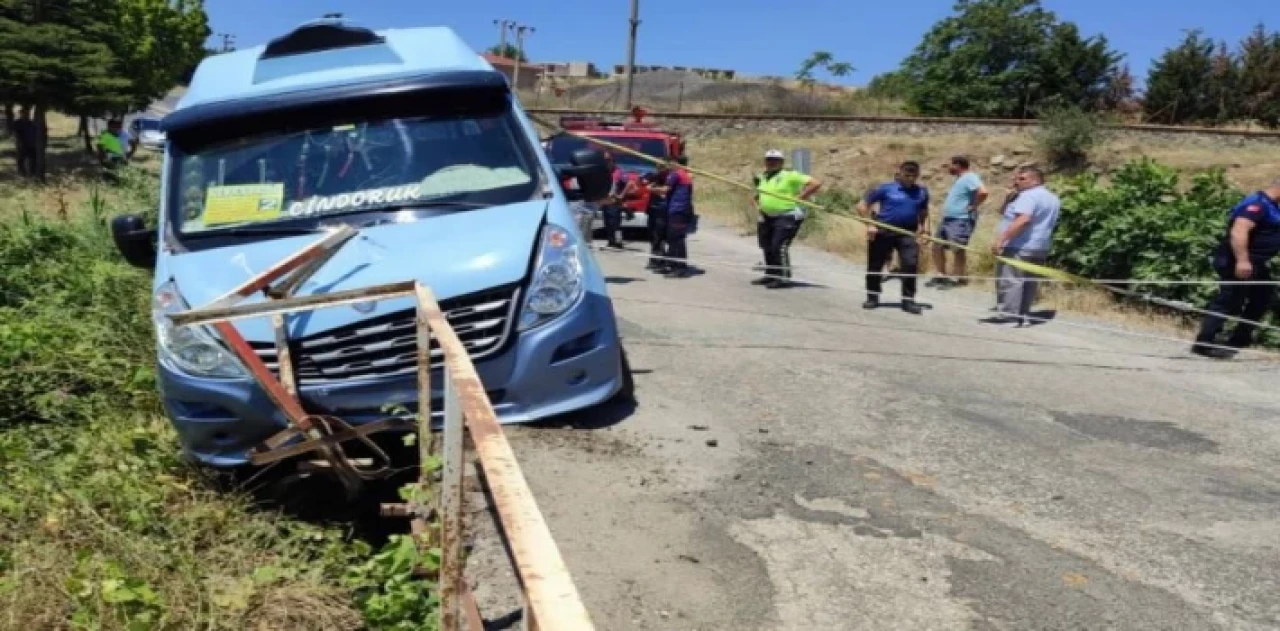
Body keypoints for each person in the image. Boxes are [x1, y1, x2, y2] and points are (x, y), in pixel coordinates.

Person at [1190, 178, 1280, 359]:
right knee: (1229, 301)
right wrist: (1242, 260)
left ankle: (1240, 338)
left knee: (1261, 299)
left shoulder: (1273, 206)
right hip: (1238, 262)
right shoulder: (1257, 205)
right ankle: (1204, 343)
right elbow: (1239, 231)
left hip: (1257, 264)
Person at [986, 165, 1061, 327]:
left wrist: (1002, 240)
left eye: (1022, 179)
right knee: (1029, 282)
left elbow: (1023, 220)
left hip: (1019, 245)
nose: (1017, 182)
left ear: (1035, 180)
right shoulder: (1052, 198)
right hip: (1040, 246)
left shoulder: (1028, 196)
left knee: (1011, 280)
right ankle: (1022, 315)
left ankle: (1009, 317)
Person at [858, 161, 931, 314]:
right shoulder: (885, 188)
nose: (910, 179)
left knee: (910, 265)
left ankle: (908, 301)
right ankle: (873, 297)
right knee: (875, 265)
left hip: (908, 233)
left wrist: (924, 229)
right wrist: (870, 225)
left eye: (913, 176)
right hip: (883, 231)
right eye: (907, 175)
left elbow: (924, 212)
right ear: (900, 173)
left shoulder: (922, 192)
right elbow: (862, 206)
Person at [751, 149, 822, 288]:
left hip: (787, 215)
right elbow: (760, 192)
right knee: (766, 245)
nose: (771, 163)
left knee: (779, 245)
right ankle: (771, 274)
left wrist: (801, 197)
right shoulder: (763, 176)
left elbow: (815, 183)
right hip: (767, 215)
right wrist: (756, 201)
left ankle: (783, 277)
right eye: (769, 160)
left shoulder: (789, 175)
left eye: (775, 160)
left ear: (781, 162)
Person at [927, 155, 988, 288]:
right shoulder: (959, 179)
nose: (948, 167)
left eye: (950, 164)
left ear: (958, 165)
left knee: (957, 248)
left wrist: (974, 206)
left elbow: (983, 192)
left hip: (961, 219)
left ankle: (958, 278)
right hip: (948, 219)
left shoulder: (970, 177)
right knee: (937, 246)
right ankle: (941, 275)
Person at [652, 155, 695, 278]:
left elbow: (665, 190)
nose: (667, 166)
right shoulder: (684, 174)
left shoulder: (675, 174)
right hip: (678, 209)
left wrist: (651, 189)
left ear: (674, 163)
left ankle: (679, 267)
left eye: (668, 164)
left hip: (678, 209)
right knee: (674, 238)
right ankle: (673, 264)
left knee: (676, 239)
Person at [644, 163, 672, 273]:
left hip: (662, 210)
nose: (659, 169)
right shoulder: (655, 177)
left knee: (659, 237)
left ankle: (660, 261)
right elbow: (644, 179)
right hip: (653, 210)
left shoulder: (669, 178)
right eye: (658, 167)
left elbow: (664, 192)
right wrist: (649, 180)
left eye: (661, 167)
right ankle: (654, 259)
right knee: (652, 236)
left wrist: (651, 188)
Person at [12, 106, 39, 178]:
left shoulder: (31, 123)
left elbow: (34, 133)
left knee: (33, 160)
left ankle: (32, 173)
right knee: (21, 160)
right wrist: (19, 142)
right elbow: (16, 134)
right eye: (24, 113)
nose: (26, 115)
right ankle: (22, 174)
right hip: (21, 144)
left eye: (28, 113)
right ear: (21, 114)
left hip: (31, 144)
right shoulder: (17, 123)